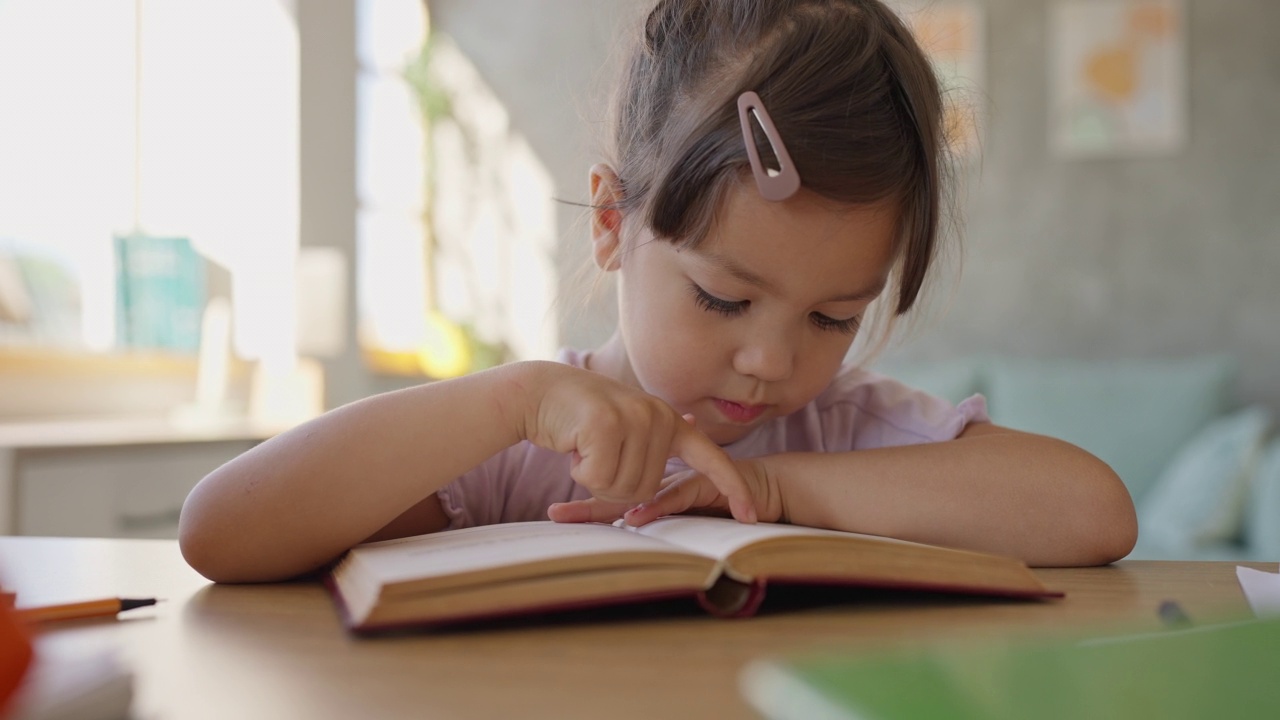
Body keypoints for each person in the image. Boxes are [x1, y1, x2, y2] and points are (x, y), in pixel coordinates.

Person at [179, 0, 1137, 584]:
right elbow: (222, 530)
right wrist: (509, 399)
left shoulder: (845, 433)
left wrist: (773, 485)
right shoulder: (518, 446)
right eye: (724, 299)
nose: (771, 361)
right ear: (610, 225)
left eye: (833, 318)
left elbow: (1093, 512)